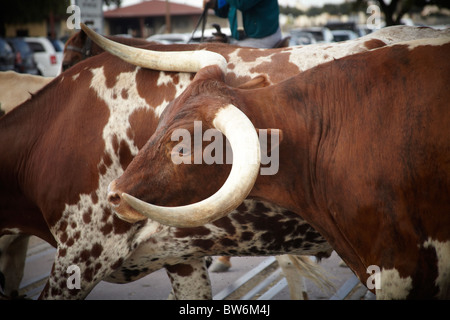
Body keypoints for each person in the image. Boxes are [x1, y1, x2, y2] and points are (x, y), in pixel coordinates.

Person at [203, 0, 282, 49]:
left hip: (261, 39)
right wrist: (215, 4)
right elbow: (227, 10)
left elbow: (241, 2)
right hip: (242, 39)